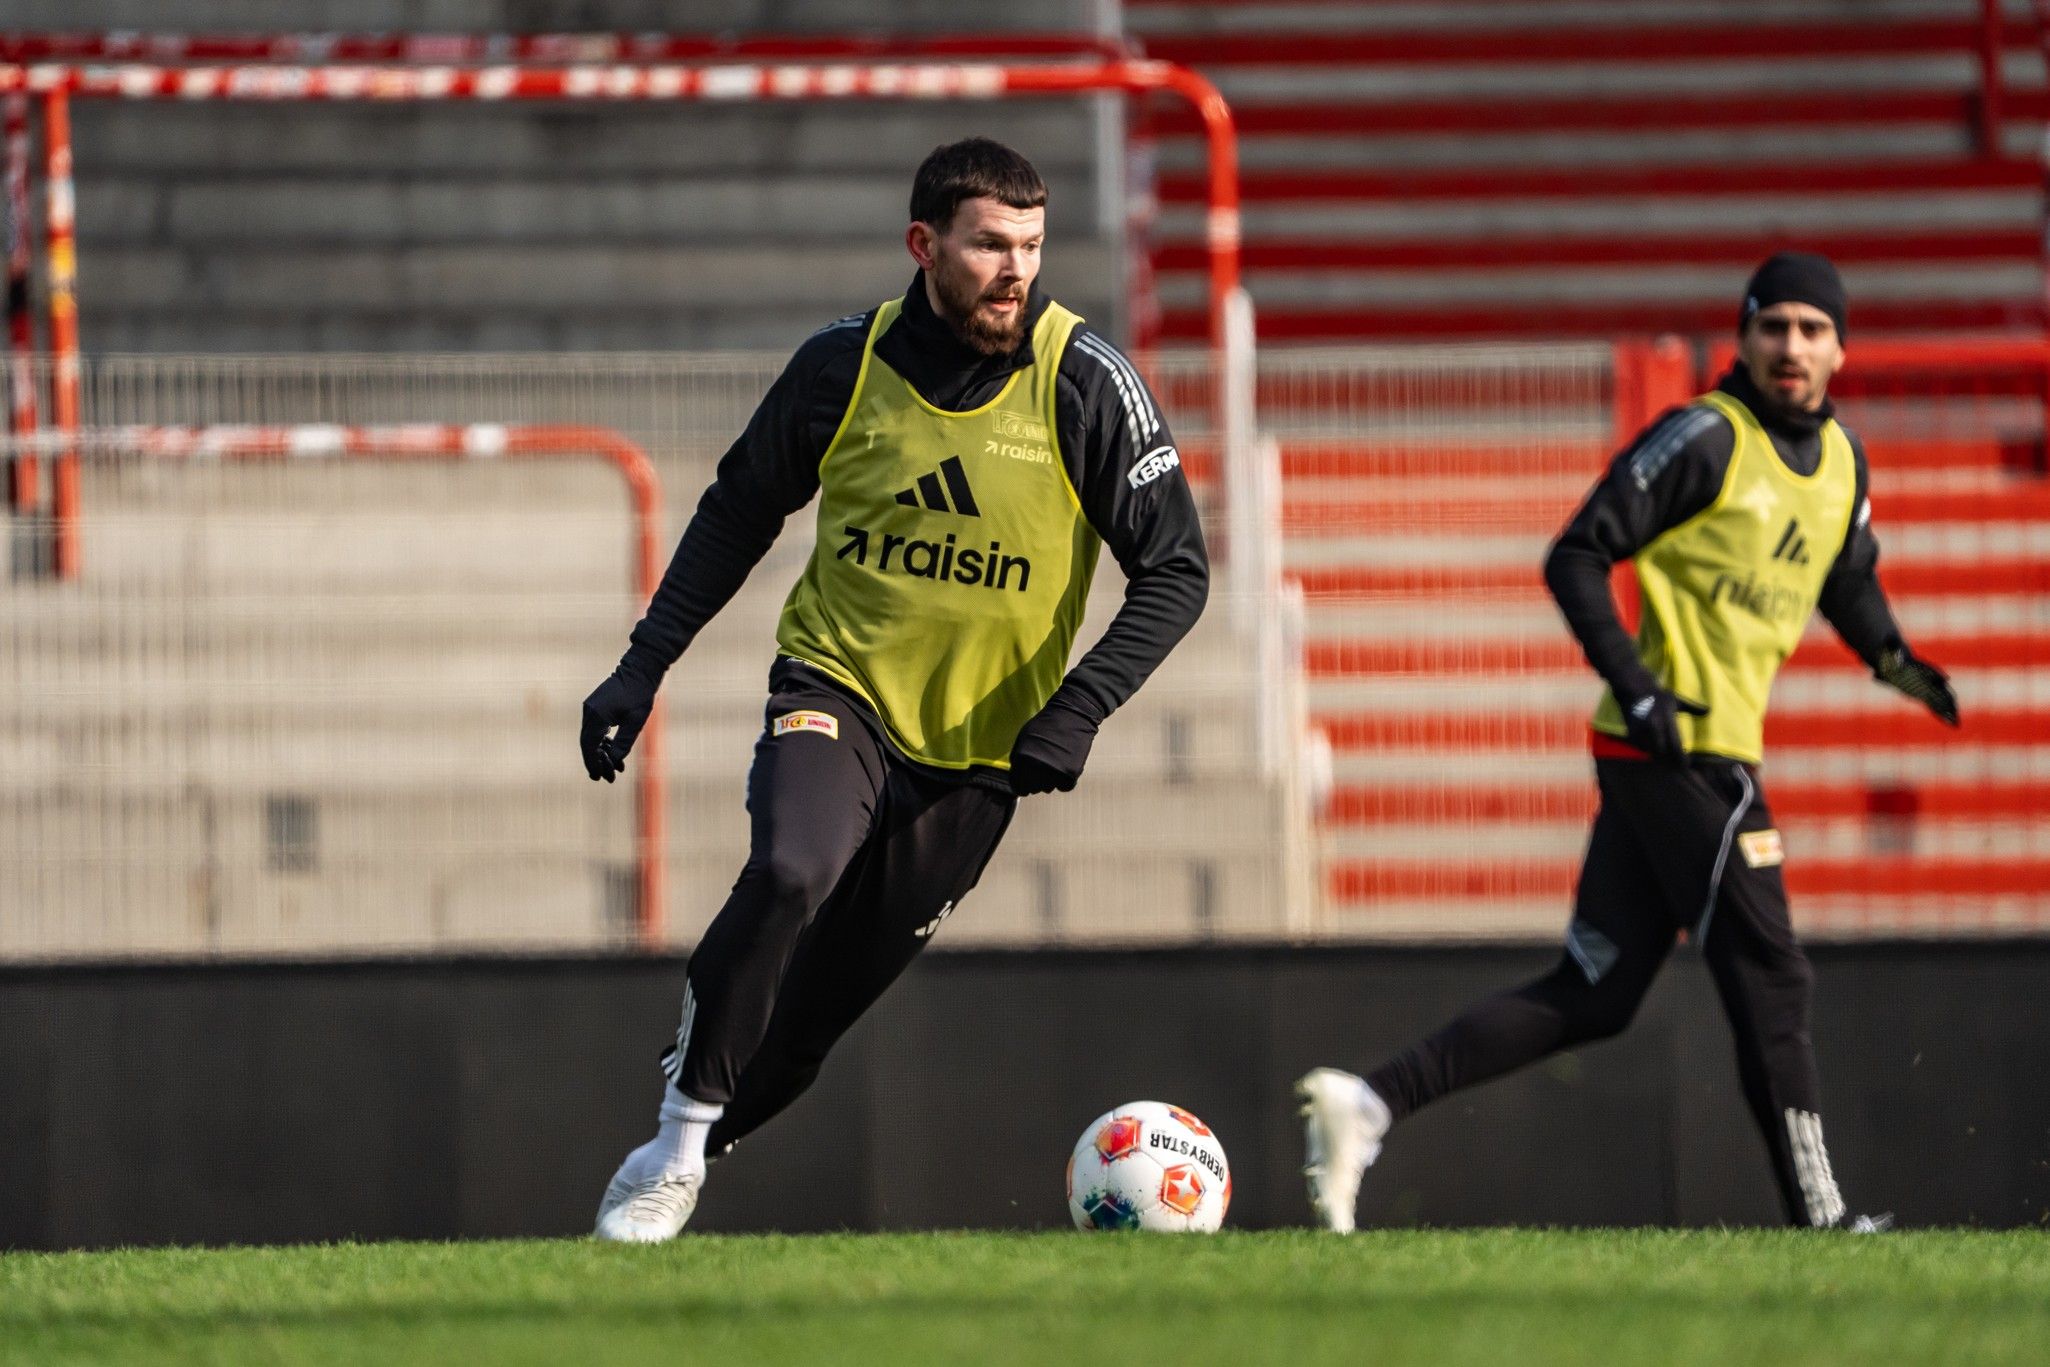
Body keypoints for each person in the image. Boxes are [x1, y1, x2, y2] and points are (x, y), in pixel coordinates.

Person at [580, 137, 1208, 1242]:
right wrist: (644, 664)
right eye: (988, 245)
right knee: (788, 867)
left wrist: (1079, 707)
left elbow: (1176, 572)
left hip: (979, 755)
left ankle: (694, 1114)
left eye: (1031, 245)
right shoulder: (842, 365)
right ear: (924, 246)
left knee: (809, 1027)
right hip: (839, 688)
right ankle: (677, 1145)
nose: (1015, 269)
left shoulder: (1083, 379)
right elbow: (737, 509)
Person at [1296, 252, 1959, 1233]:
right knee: (1773, 974)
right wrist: (1639, 687)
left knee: (1596, 991)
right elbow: (1575, 552)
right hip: (1685, 750)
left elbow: (1844, 574)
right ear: (1742, 333)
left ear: (1840, 348)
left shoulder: (1842, 463)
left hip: (1680, 754)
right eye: (1772, 325)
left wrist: (1892, 655)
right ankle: (1825, 1218)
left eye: (1810, 330)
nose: (1790, 346)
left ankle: (1370, 1101)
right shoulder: (1706, 435)